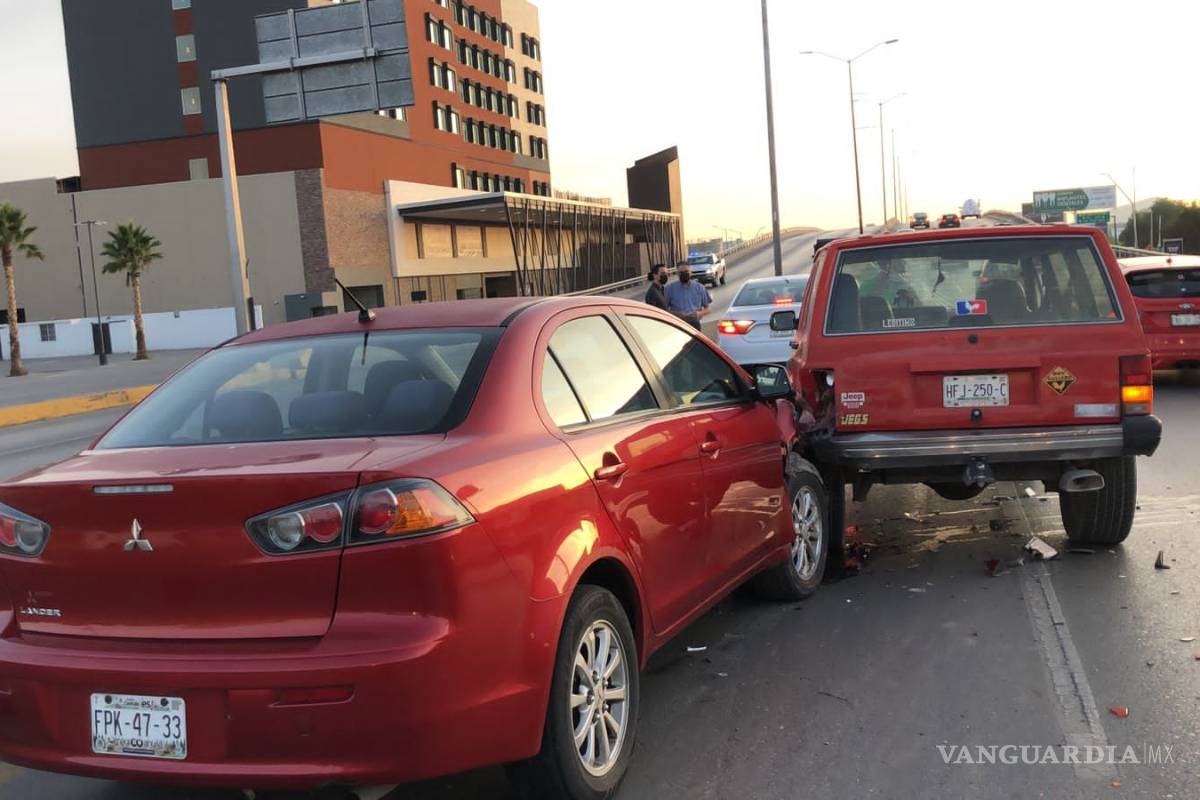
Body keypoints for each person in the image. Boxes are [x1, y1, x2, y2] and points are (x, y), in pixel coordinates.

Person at [665, 259, 712, 331]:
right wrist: (677, 314)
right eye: (681, 272)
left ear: (691, 272)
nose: (684, 274)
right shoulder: (669, 289)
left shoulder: (700, 288)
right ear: (677, 274)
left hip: (695, 324)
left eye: (686, 271)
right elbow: (664, 309)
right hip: (678, 325)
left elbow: (708, 309)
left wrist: (698, 313)